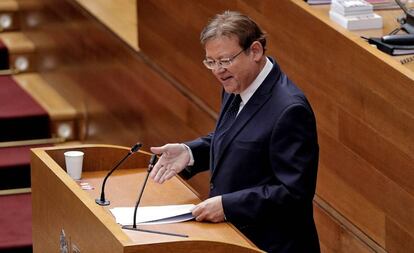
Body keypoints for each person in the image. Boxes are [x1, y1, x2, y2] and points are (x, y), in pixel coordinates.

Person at [149, 11, 320, 253]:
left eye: (225, 60)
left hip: (272, 245)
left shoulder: (289, 109)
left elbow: (294, 192)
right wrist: (190, 152)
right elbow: (239, 138)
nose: (218, 71)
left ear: (256, 51)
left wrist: (229, 206)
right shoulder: (237, 84)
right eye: (211, 62)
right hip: (236, 239)